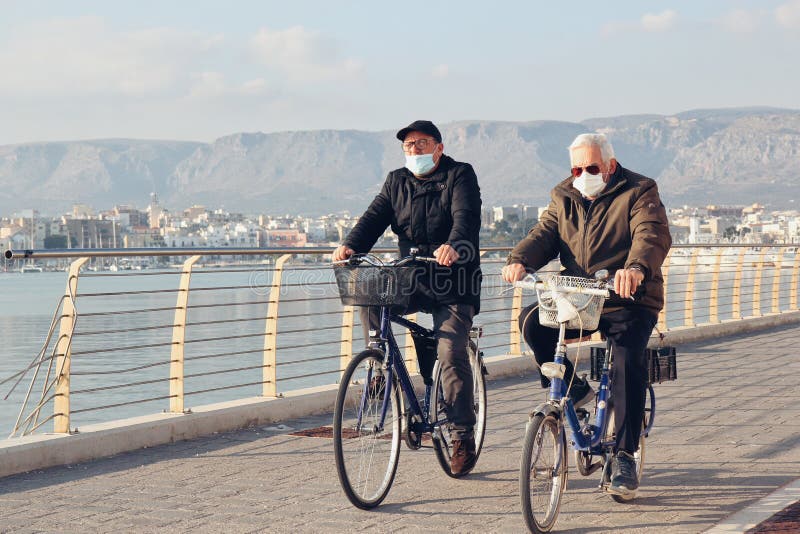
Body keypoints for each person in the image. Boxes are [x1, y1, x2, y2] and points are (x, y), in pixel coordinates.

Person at [501, 132, 671, 497]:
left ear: (610, 166)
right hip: (580, 295)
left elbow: (651, 233)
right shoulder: (564, 194)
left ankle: (625, 453)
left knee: (626, 357)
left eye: (591, 167)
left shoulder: (640, 190)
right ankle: (575, 390)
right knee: (532, 324)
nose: (582, 174)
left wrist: (636, 268)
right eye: (576, 168)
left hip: (628, 296)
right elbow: (544, 233)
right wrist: (520, 259)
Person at [332, 120, 482, 476]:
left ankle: (462, 435)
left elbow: (466, 218)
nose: (414, 150)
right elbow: (374, 217)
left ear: (439, 147)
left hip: (454, 278)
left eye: (422, 143)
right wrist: (351, 245)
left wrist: (454, 246)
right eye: (408, 145)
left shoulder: (460, 174)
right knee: (368, 293)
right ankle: (379, 364)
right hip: (412, 274)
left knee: (450, 352)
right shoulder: (396, 180)